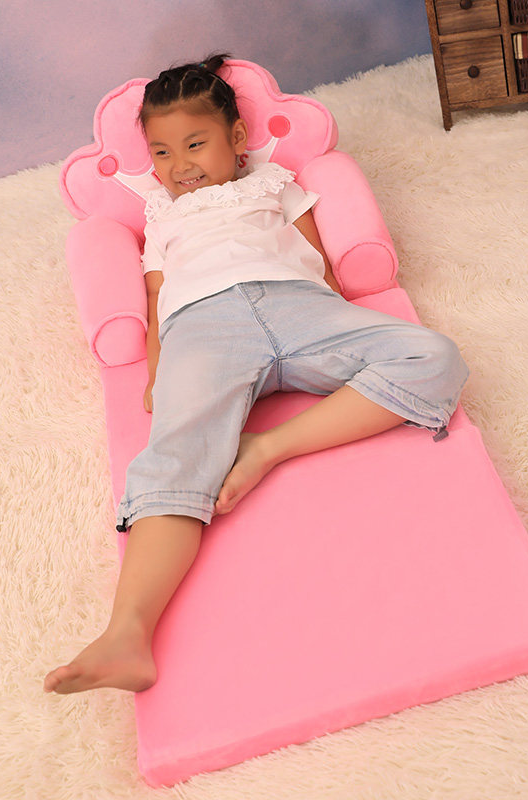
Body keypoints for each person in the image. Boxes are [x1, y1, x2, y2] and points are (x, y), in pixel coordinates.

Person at [44, 54, 468, 695]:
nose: (179, 165)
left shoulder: (274, 183)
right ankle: (126, 634)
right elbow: (157, 299)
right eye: (161, 153)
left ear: (237, 138)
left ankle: (265, 448)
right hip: (203, 325)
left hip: (298, 306)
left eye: (195, 144)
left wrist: (338, 317)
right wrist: (158, 374)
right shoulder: (161, 217)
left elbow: (317, 256)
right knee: (175, 457)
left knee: (435, 357)